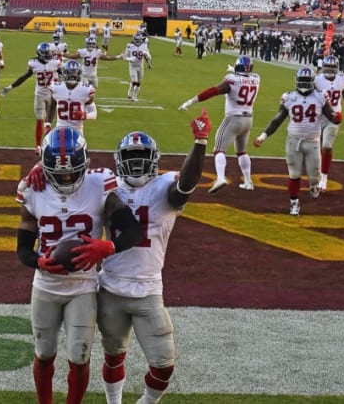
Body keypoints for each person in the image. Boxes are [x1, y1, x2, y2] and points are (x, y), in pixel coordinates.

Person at [15, 127, 144, 404]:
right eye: (58, 172)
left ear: (85, 165)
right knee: (44, 353)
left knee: (79, 355)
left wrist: (107, 247)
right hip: (46, 285)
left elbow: (133, 231)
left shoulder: (100, 184)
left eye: (72, 171)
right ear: (45, 167)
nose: (65, 177)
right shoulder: (32, 188)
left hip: (83, 286)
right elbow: (22, 249)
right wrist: (39, 261)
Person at [98, 110, 211, 404]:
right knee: (113, 355)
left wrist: (200, 141)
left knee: (164, 364)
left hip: (148, 289)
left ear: (154, 159)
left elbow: (185, 186)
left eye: (141, 156)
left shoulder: (164, 186)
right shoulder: (106, 186)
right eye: (131, 156)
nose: (136, 162)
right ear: (119, 159)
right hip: (110, 286)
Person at [253, 67, 341, 216]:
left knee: (315, 177)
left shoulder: (320, 97)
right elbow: (277, 120)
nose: (304, 83)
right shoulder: (289, 97)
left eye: (307, 81)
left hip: (313, 142)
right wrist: (263, 136)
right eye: (302, 80)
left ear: (312, 82)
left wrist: (335, 117)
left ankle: (314, 186)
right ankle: (294, 204)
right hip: (293, 142)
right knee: (294, 174)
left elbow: (329, 113)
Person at [178, 55, 260, 192]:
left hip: (233, 118)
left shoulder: (232, 80)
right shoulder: (256, 78)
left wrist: (191, 101)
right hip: (248, 119)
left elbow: (213, 91)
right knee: (242, 152)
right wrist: (233, 70)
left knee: (219, 149)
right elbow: (244, 76)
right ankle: (248, 181)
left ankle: (221, 178)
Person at [1, 43, 63, 155]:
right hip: (41, 95)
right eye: (46, 54)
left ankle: (47, 145)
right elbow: (24, 77)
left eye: (49, 54)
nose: (48, 56)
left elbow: (63, 75)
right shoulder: (38, 63)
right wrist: (10, 87)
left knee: (51, 122)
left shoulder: (53, 63)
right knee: (41, 120)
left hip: (52, 96)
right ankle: (39, 146)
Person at [314, 55, 344, 192]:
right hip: (318, 116)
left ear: (337, 68)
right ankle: (319, 172)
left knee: (327, 146)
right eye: (328, 66)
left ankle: (324, 179)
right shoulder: (317, 79)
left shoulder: (342, 79)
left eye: (332, 66)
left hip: (334, 117)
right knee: (318, 148)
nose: (330, 69)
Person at [50, 60, 97, 135]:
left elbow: (94, 113)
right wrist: (47, 124)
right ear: (64, 73)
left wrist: (84, 115)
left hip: (77, 130)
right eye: (69, 72)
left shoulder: (86, 90)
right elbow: (52, 107)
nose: (73, 75)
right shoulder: (56, 88)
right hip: (60, 128)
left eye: (75, 72)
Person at [123, 34, 153, 102]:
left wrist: (147, 54)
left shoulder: (144, 46)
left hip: (140, 66)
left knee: (139, 83)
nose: (137, 41)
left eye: (138, 40)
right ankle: (133, 96)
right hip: (132, 66)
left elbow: (150, 57)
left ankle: (133, 94)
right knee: (135, 82)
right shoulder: (129, 46)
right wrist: (130, 59)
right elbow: (125, 57)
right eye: (136, 39)